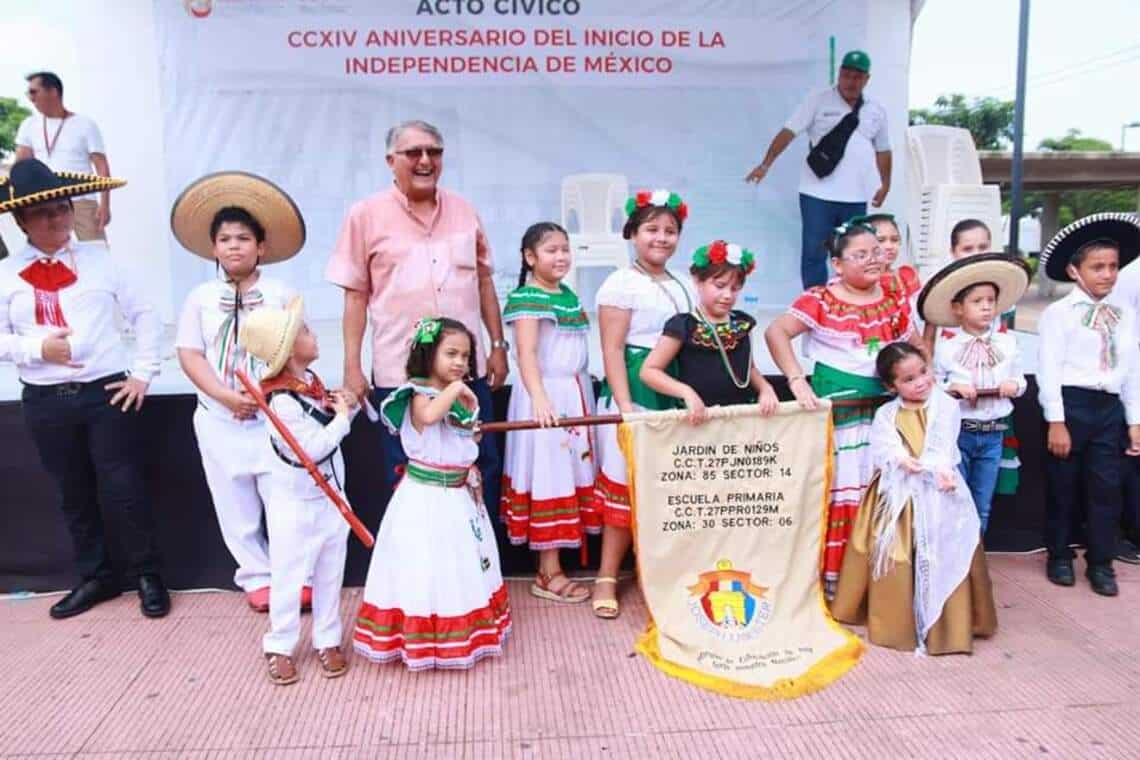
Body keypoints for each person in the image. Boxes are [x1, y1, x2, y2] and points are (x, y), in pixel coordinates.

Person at [0, 158, 169, 619]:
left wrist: (143, 372)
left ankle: (147, 575)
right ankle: (97, 576)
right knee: (72, 492)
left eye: (62, 207)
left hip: (104, 393)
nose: (56, 217)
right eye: (43, 212)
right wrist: (36, 347)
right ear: (21, 222)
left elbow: (145, 314)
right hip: (44, 399)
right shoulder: (7, 274)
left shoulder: (102, 261)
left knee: (124, 486)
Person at [326, 119, 508, 519]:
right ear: (391, 161)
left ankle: (477, 565)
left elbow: (483, 282)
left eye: (434, 152)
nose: (425, 160)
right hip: (401, 374)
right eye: (414, 153)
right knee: (411, 471)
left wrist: (497, 345)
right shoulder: (365, 215)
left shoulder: (464, 211)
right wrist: (352, 367)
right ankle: (422, 570)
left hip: (465, 369)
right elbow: (355, 296)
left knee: (480, 465)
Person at [171, 172, 307, 612]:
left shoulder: (281, 293)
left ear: (261, 247)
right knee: (235, 501)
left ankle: (294, 574)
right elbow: (191, 353)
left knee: (283, 496)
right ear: (213, 247)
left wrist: (272, 391)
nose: (234, 246)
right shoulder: (200, 297)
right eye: (225, 239)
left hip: (272, 414)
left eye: (244, 238)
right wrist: (226, 396)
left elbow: (299, 349)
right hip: (219, 415)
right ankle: (256, 576)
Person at [765, 219, 921, 598]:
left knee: (883, 488)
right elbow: (776, 332)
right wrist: (796, 380)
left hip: (886, 412)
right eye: (861, 254)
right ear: (838, 263)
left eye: (878, 252)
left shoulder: (892, 298)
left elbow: (914, 345)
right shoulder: (821, 298)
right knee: (843, 489)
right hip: (840, 413)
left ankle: (882, 580)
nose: (873, 259)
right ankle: (838, 580)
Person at [354, 317, 511, 670]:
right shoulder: (416, 395)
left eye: (466, 356)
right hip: (426, 499)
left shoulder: (459, 397)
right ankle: (424, 641)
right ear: (429, 355)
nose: (460, 363)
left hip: (457, 496)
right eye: (451, 353)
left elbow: (464, 436)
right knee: (427, 567)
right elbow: (427, 417)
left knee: (456, 565)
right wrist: (457, 391)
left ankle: (457, 634)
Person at [831, 343, 997, 655]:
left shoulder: (945, 404)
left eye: (923, 372)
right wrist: (900, 459)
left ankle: (952, 624)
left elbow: (945, 442)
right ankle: (899, 620)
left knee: (949, 544)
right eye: (908, 379)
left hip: (939, 487)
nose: (920, 382)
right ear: (891, 386)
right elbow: (883, 446)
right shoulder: (887, 414)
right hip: (901, 490)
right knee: (897, 549)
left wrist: (942, 468)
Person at [238, 297, 357, 685]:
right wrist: (342, 418)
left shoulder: (310, 385)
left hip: (331, 498)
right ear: (289, 353)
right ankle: (280, 644)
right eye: (305, 331)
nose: (313, 334)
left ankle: (327, 638)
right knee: (288, 575)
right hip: (294, 501)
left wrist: (342, 407)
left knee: (329, 571)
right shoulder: (282, 401)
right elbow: (314, 448)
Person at [591, 189, 692, 619]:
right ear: (633, 233)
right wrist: (625, 403)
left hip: (674, 385)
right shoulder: (620, 283)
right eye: (652, 229)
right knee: (625, 486)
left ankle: (662, 576)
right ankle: (607, 576)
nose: (661, 238)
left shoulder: (683, 280)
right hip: (635, 386)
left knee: (668, 489)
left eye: (670, 231)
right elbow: (612, 349)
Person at [1036, 214, 1140, 597]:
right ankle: (1059, 555)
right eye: (1097, 267)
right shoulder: (1058, 314)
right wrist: (1056, 421)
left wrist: (1135, 420)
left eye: (1113, 266)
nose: (1107, 275)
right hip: (1071, 404)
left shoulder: (1126, 315)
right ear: (1074, 271)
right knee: (1063, 486)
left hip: (1109, 408)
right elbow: (1048, 369)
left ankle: (1101, 561)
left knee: (1106, 488)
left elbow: (1130, 367)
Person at [500, 223, 596, 603]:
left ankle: (557, 565)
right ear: (530, 257)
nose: (561, 257)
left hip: (574, 393)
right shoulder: (528, 297)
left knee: (571, 474)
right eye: (552, 250)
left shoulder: (567, 294)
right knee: (549, 476)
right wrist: (539, 397)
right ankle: (548, 570)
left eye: (565, 249)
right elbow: (526, 353)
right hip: (547, 396)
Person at [745, 51, 892, 288]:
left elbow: (883, 149)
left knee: (855, 253)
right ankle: (814, 308)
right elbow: (788, 132)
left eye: (857, 77)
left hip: (856, 195)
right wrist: (766, 164)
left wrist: (886, 184)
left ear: (866, 79)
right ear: (839, 74)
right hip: (817, 193)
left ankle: (849, 305)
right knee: (814, 252)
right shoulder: (818, 100)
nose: (850, 81)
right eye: (846, 75)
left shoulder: (875, 109)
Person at [923, 254, 1031, 537]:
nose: (986, 307)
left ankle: (975, 560)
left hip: (994, 434)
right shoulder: (948, 347)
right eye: (977, 301)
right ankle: (952, 559)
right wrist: (952, 390)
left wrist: (1014, 386)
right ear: (958, 308)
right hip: (960, 432)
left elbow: (1020, 382)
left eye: (990, 301)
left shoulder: (1007, 344)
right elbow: (934, 387)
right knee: (954, 496)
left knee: (982, 501)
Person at [640, 240, 779, 423]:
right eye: (720, 286)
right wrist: (686, 393)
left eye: (735, 289)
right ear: (698, 281)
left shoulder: (742, 323)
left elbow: (748, 369)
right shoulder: (684, 325)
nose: (728, 295)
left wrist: (765, 389)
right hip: (699, 419)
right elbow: (649, 371)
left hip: (740, 418)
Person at [15, 72, 113, 241]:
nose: (30, 98)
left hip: (82, 200)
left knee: (95, 253)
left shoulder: (84, 124)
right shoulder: (29, 125)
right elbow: (20, 164)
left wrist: (105, 205)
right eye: (29, 93)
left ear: (53, 91)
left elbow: (101, 166)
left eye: (34, 92)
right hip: (45, 202)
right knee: (51, 254)